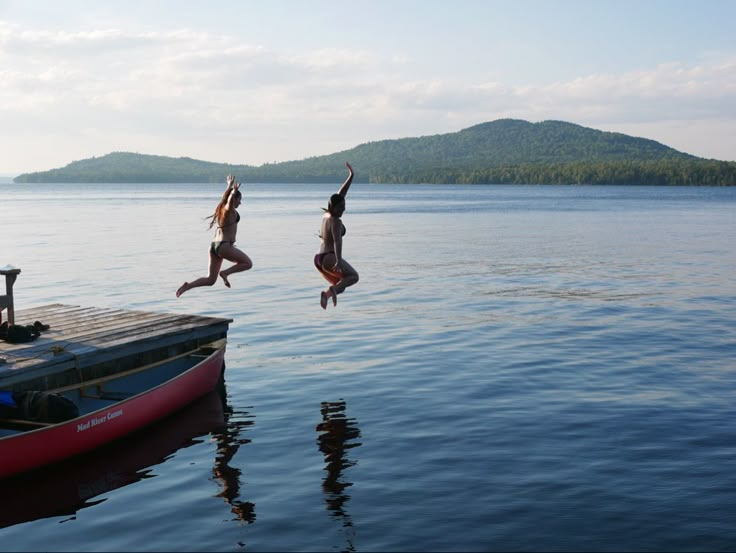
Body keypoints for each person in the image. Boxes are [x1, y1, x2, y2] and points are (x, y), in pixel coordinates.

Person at [176, 175, 252, 297]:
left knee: (211, 280)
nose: (240, 202)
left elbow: (225, 199)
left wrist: (228, 186)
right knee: (248, 263)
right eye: (239, 200)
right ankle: (225, 273)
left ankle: (188, 286)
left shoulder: (221, 209)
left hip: (214, 247)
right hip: (224, 246)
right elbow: (229, 201)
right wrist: (233, 192)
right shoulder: (229, 210)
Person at [314, 162, 359, 309]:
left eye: (344, 208)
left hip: (319, 259)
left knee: (341, 285)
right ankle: (332, 291)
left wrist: (351, 176)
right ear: (333, 207)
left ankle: (326, 295)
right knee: (353, 277)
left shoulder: (326, 214)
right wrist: (339, 261)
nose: (342, 211)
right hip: (330, 257)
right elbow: (338, 242)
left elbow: (340, 194)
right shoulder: (336, 221)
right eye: (340, 208)